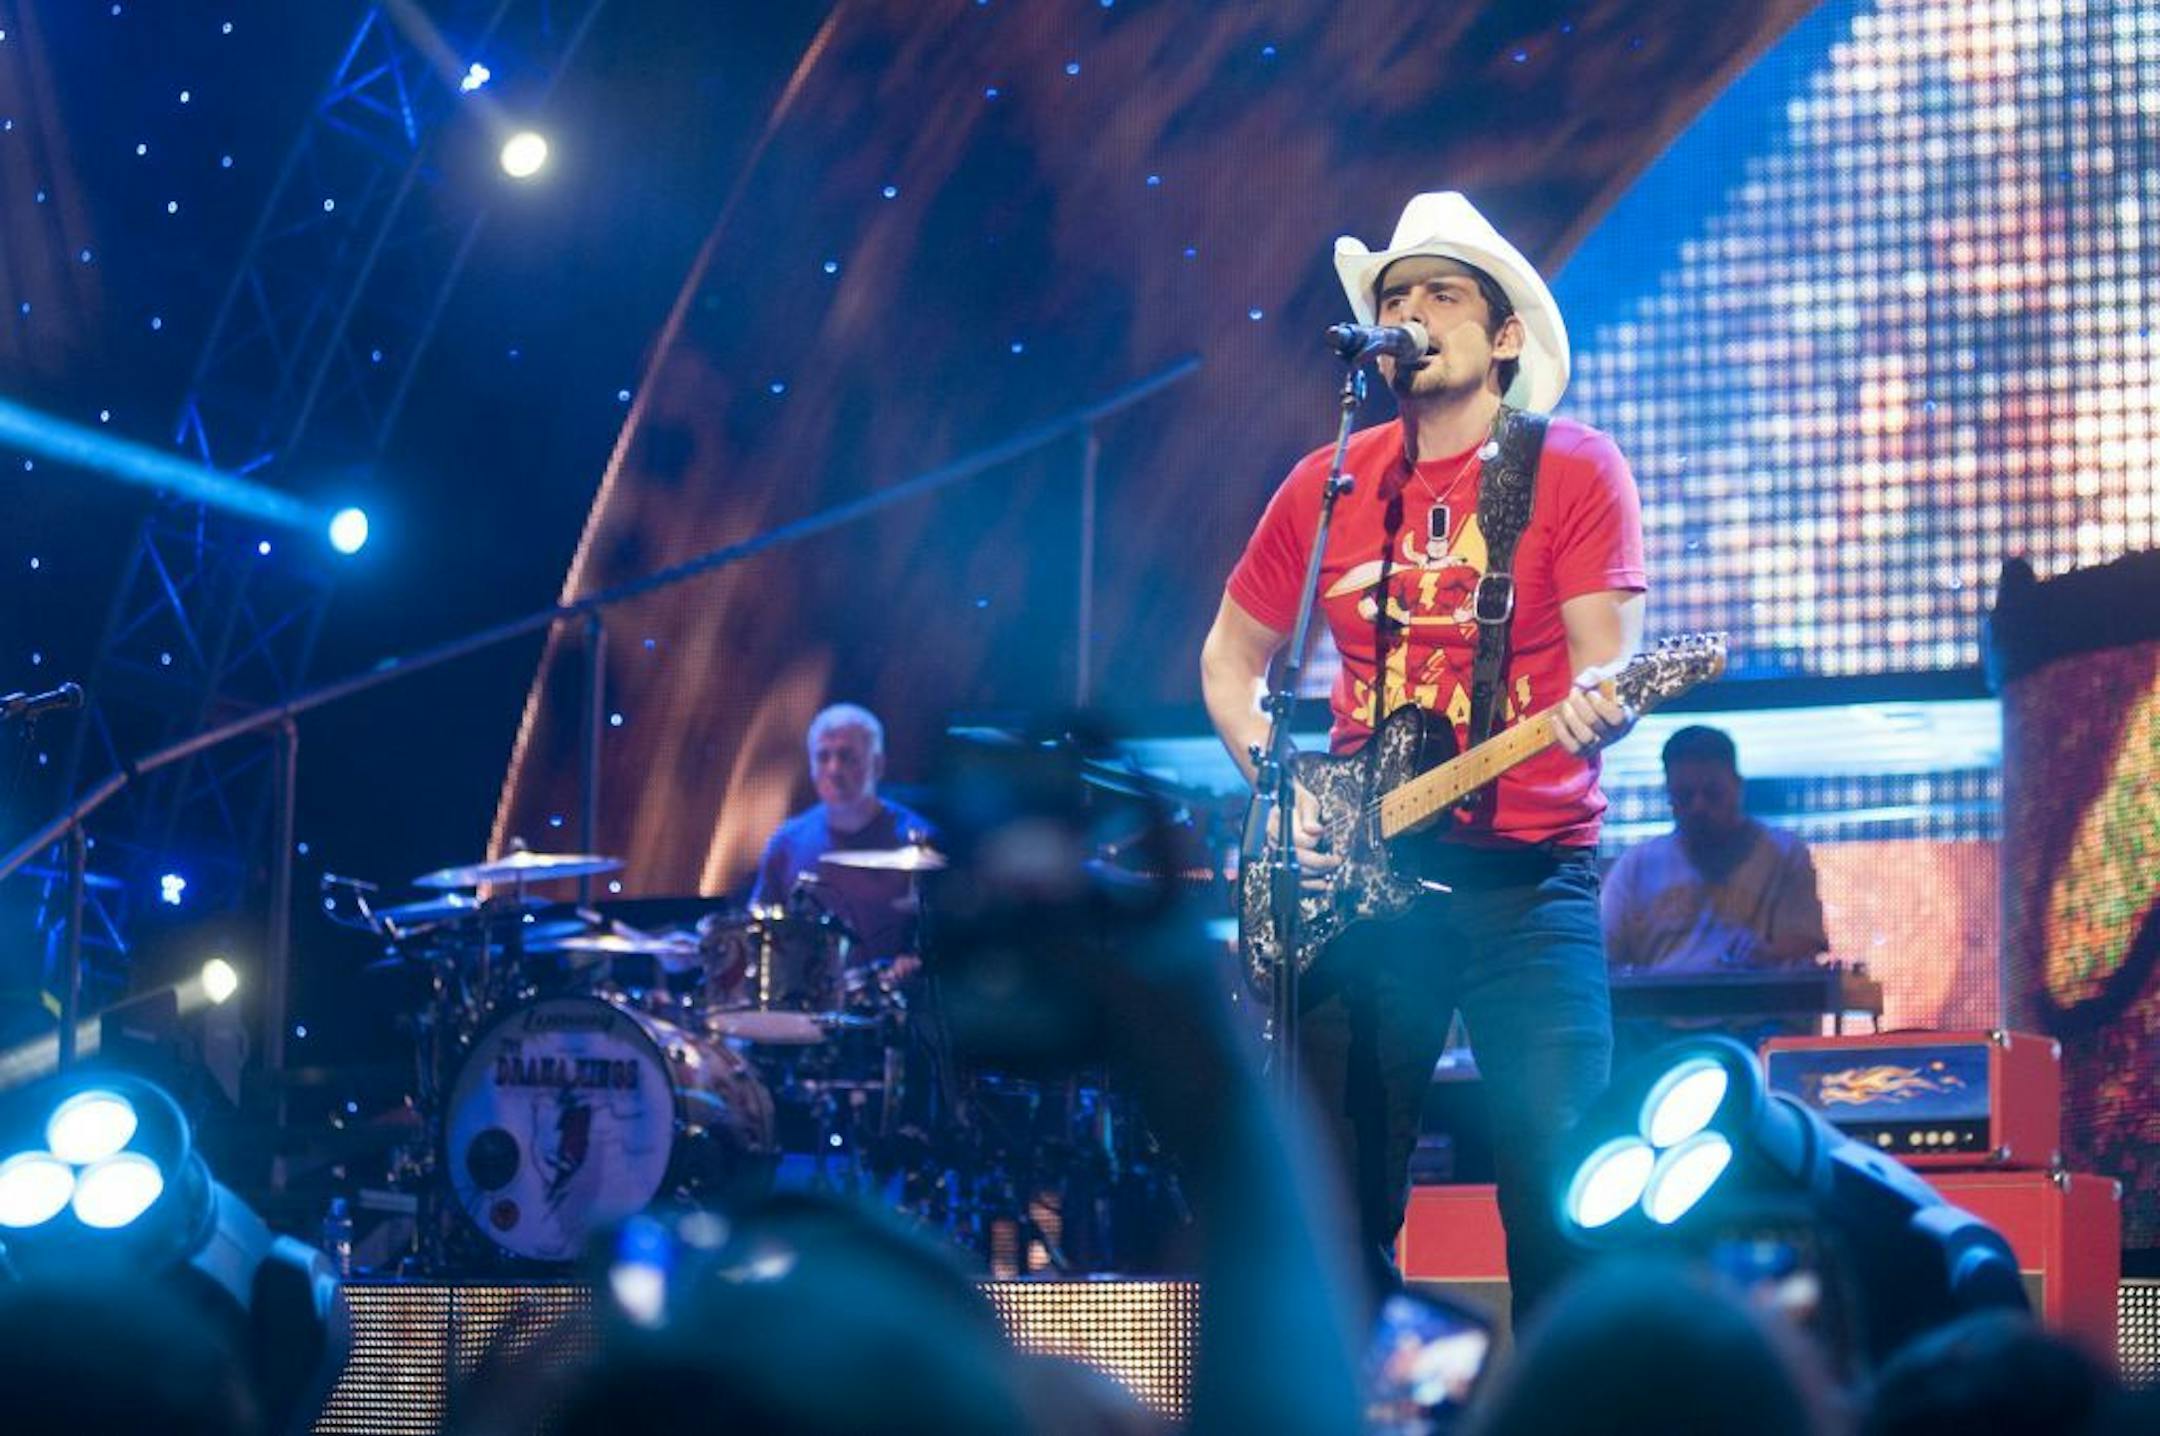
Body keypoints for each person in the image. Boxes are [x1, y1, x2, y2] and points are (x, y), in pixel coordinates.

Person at [1201, 190, 1646, 1319]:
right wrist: (1278, 787)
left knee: (1563, 1201)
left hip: (1528, 888)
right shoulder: (1330, 480)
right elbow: (1229, 660)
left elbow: (1608, 658)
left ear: (1506, 336)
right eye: (1395, 296)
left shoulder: (1574, 468)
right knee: (1336, 1208)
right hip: (1365, 885)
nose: (1411, 313)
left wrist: (1600, 705)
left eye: (1442, 295)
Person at [1602, 725, 1830, 1059]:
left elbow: (1805, 942)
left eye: (1712, 794)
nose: (1698, 807)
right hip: (1657, 1035)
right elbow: (1603, 952)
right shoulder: (1638, 864)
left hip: (1752, 1029)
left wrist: (1762, 955)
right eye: (1685, 796)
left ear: (1737, 787)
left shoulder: (1783, 853)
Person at [749, 702, 933, 973]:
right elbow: (757, 934)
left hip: (891, 996)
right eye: (823, 757)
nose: (834, 769)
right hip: (805, 996)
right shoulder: (786, 843)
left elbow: (954, 947)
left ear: (878, 765)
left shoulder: (921, 842)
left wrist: (915, 966)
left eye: (847, 757)